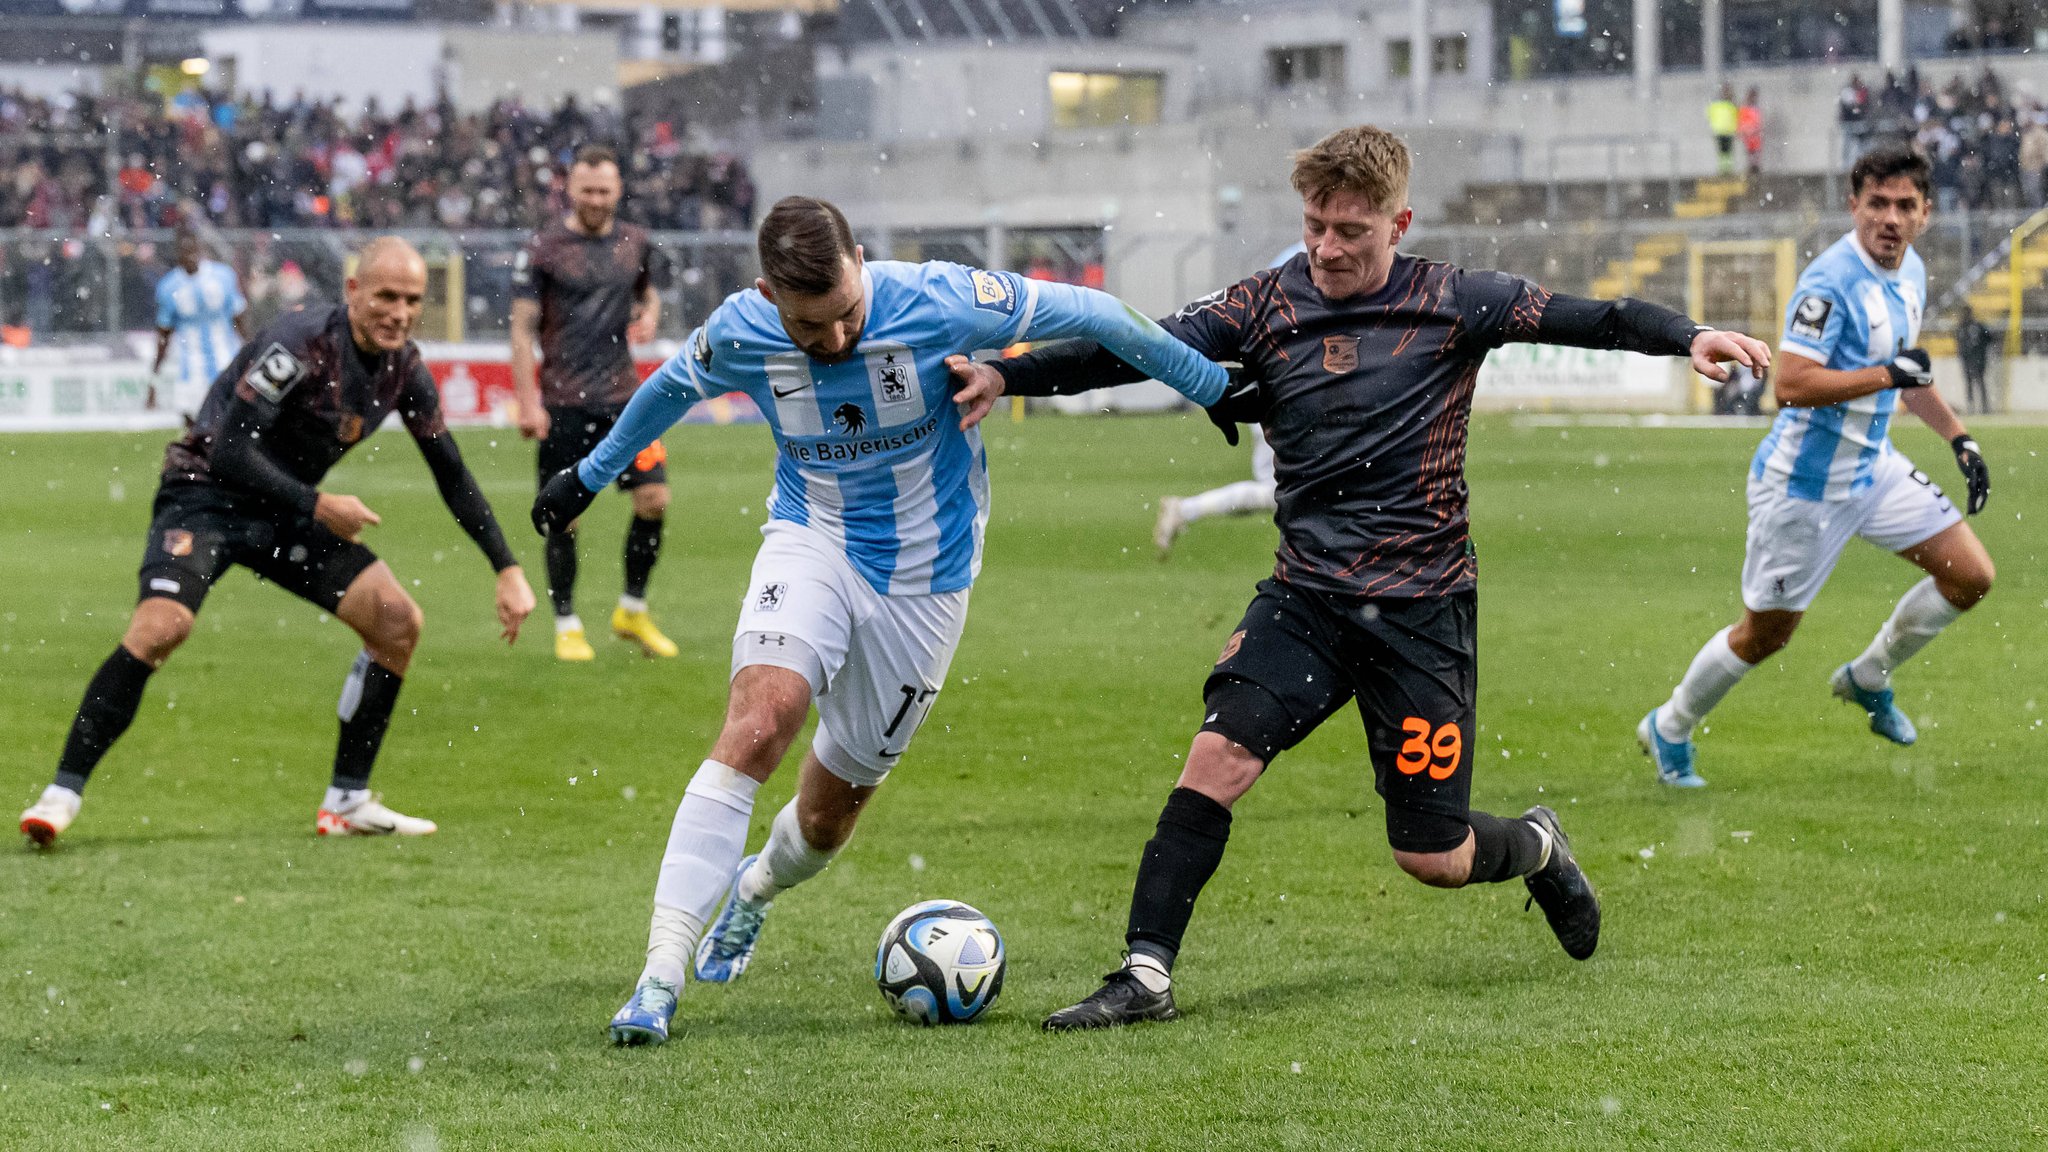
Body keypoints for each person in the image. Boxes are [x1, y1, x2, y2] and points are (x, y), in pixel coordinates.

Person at [947, 125, 1771, 1030]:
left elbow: (1598, 317)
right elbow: (1135, 347)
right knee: (1215, 760)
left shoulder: (1457, 301)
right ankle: (1145, 975)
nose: (1328, 248)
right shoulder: (1266, 303)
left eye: (1351, 231)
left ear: (1399, 223)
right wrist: (1006, 374)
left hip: (1423, 609)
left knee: (1433, 855)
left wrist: (1688, 335)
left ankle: (1537, 845)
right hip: (1306, 599)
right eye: (1315, 227)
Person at [529, 196, 1234, 1046]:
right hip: (811, 537)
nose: (832, 341)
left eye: (845, 316)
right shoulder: (743, 327)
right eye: (807, 327)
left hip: (926, 581)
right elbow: (672, 385)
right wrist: (589, 476)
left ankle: (755, 889)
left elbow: (1094, 310)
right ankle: (658, 979)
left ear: (861, 262)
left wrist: (1208, 385)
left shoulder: (937, 297)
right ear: (766, 296)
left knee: (826, 820)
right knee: (758, 725)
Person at [18, 237, 537, 847]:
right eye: (386, 296)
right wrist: (319, 504)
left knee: (397, 623)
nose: (399, 312)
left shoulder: (405, 370)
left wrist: (506, 566)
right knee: (162, 628)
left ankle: (347, 801)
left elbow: (450, 470)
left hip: (284, 508)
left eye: (412, 300)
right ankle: (61, 795)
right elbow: (231, 451)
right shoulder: (298, 346)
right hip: (205, 494)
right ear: (353, 292)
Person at [1640, 146, 1994, 788]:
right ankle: (1669, 725)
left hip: (1874, 469)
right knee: (1765, 635)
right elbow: (1792, 385)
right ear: (1853, 205)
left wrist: (1959, 437)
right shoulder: (1831, 281)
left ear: (1925, 214)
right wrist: (1889, 374)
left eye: (1904, 205)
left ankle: (1868, 677)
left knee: (1970, 576)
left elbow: (1906, 375)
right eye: (1876, 203)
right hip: (1803, 488)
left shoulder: (1910, 271)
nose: (1889, 217)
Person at [511, 144, 677, 663]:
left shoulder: (636, 243)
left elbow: (650, 293)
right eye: (587, 190)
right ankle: (567, 623)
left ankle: (631, 609)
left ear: (618, 189)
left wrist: (649, 315)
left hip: (627, 401)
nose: (597, 200)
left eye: (605, 191)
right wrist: (526, 403)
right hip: (563, 401)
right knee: (564, 516)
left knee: (654, 500)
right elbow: (521, 330)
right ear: (570, 189)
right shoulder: (543, 248)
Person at [1152, 244, 1299, 558]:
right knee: (1285, 494)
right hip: (1282, 398)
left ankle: (1184, 510)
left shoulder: (1297, 260)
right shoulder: (1309, 266)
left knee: (1284, 494)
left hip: (1281, 394)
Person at [151, 229, 250, 422]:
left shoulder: (223, 276)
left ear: (200, 249)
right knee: (192, 424)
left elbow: (239, 318)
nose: (190, 255)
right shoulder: (169, 286)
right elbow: (164, 335)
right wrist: (154, 381)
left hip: (225, 360)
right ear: (178, 253)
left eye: (193, 249)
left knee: (229, 421)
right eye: (184, 251)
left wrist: (250, 354)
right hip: (190, 365)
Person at [1955, 303, 1994, 415]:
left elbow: (1989, 338)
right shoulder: (1963, 326)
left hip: (1977, 358)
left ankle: (1983, 407)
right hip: (1969, 358)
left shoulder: (1975, 326)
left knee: (1978, 382)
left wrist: (1980, 349)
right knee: (1972, 382)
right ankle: (1974, 406)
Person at [1709, 84, 1740, 177]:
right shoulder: (1719, 105)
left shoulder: (1730, 104)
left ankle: (1727, 170)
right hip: (1720, 131)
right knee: (1723, 153)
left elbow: (1736, 117)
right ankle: (1723, 170)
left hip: (1728, 131)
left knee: (1727, 153)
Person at [1739, 88, 1765, 176]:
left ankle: (1754, 167)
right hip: (1749, 135)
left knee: (1755, 152)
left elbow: (1759, 122)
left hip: (1755, 135)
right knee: (1751, 152)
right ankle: (1752, 167)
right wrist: (1746, 131)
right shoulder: (1745, 109)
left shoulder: (1756, 109)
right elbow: (1742, 122)